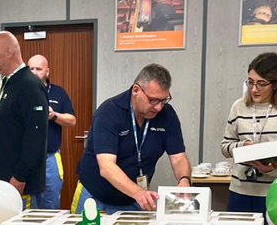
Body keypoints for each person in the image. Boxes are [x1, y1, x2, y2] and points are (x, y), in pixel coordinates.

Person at [76, 64, 192, 213]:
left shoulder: (167, 115)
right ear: (136, 90)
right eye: (154, 100)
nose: (159, 107)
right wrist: (139, 193)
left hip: (135, 198)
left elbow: (178, 158)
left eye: (164, 100)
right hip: (96, 197)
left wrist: (184, 180)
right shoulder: (109, 113)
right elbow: (106, 167)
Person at [220, 53, 277, 214]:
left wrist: (271, 169)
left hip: (276, 192)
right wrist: (244, 146)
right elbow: (225, 147)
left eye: (261, 84)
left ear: (276, 84)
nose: (253, 89)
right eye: (250, 82)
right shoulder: (238, 107)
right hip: (240, 192)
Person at [0, 31, 48, 198]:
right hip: (2, 182)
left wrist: (20, 175)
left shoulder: (29, 85)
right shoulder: (8, 83)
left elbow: (35, 136)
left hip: (17, 186)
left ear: (9, 52)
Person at [27, 55, 76, 209]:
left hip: (50, 158)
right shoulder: (19, 92)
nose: (34, 72)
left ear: (47, 72)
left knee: (51, 205)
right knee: (27, 207)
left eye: (38, 69)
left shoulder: (58, 93)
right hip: (26, 159)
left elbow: (72, 120)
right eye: (31, 69)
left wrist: (53, 115)